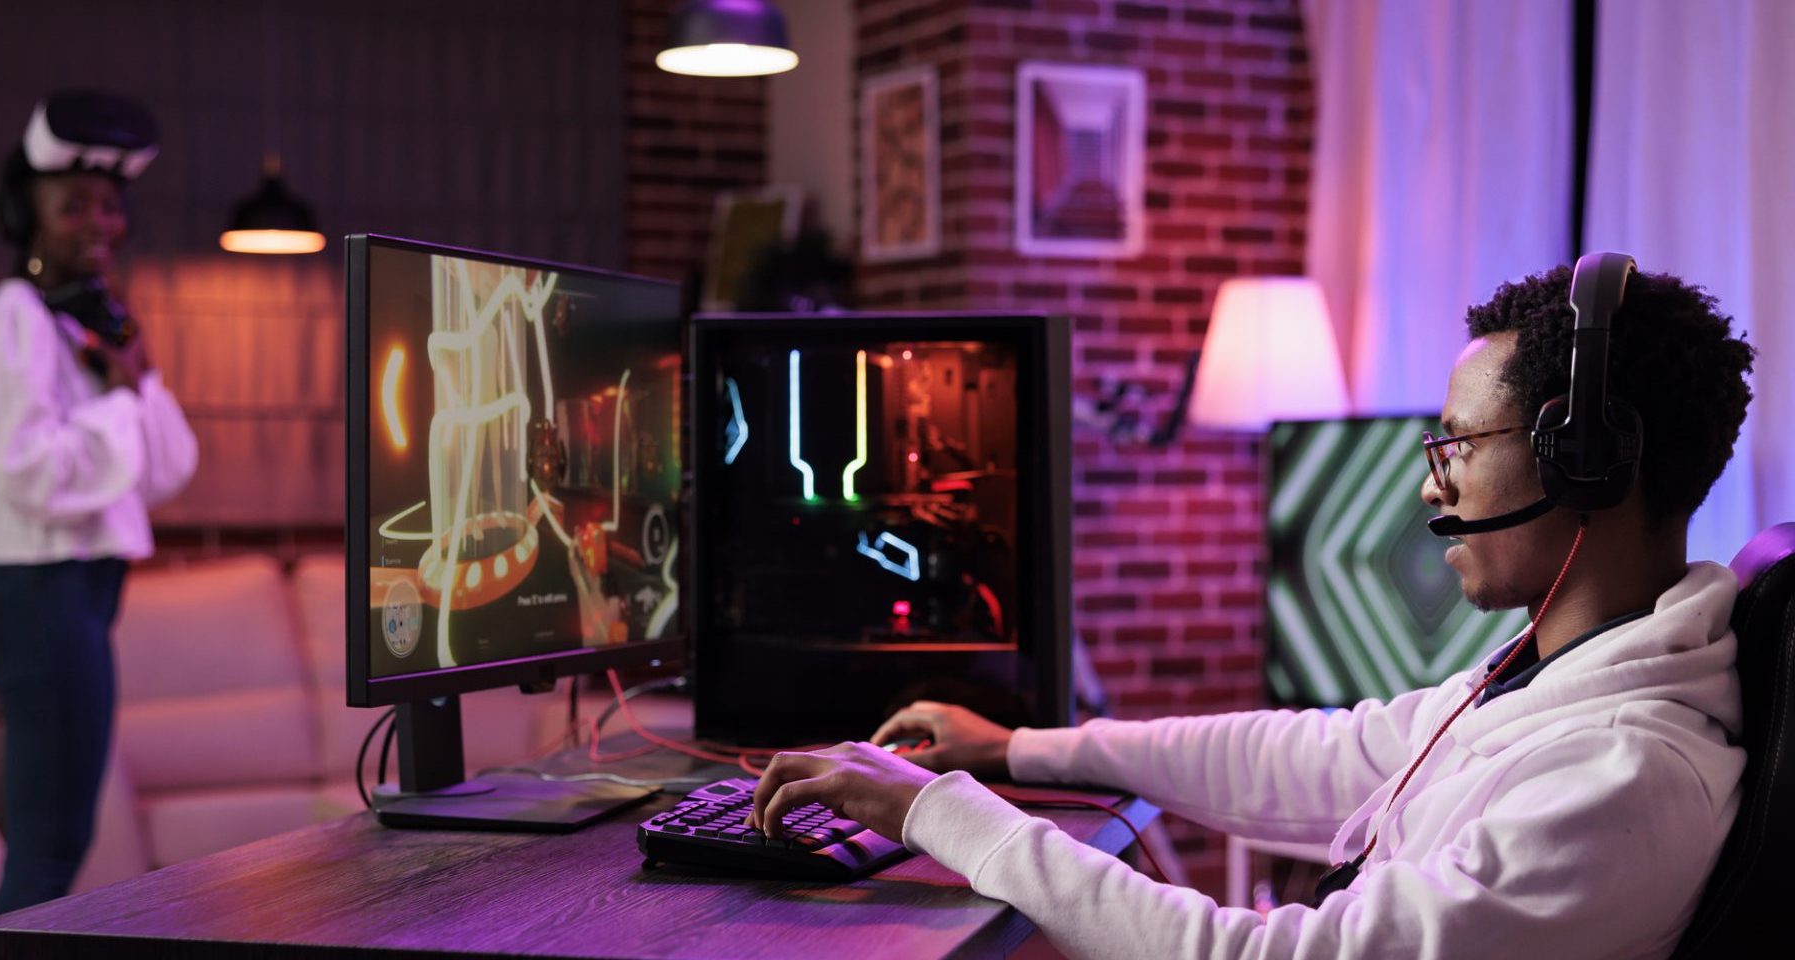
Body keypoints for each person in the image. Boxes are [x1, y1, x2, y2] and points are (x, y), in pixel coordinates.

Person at [745, 262, 1756, 959]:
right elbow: (1315, 756)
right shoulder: (1554, 677)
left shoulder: (1621, 779)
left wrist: (939, 814)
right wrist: (1017, 750)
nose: (1429, 487)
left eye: (1456, 445)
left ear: (1587, 462)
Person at [0, 91, 199, 913]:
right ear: (29, 216)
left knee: (62, 839)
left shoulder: (86, 325)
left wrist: (136, 376)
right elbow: (31, 471)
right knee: (50, 844)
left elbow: (167, 468)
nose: (100, 223)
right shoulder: (12, 321)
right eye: (75, 208)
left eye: (110, 205)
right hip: (34, 592)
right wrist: (122, 402)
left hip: (78, 591)